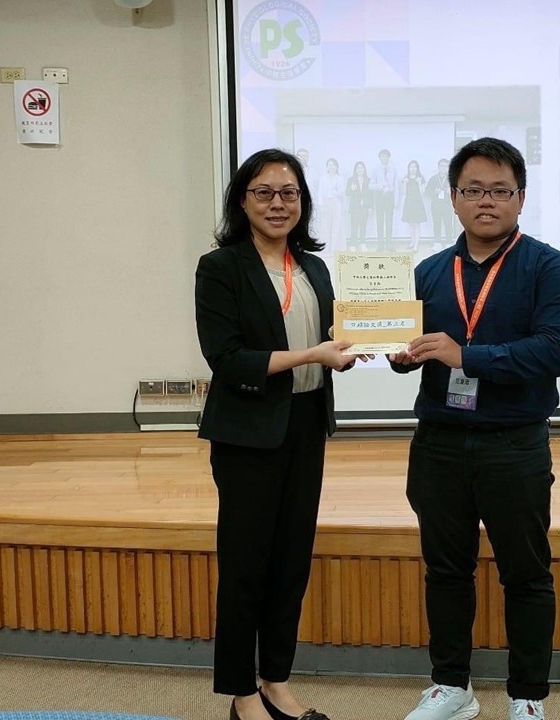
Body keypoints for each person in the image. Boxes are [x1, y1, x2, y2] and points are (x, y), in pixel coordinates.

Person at [387, 138, 560, 720]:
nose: (486, 201)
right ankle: (452, 687)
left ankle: (527, 695)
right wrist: (400, 354)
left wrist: (467, 356)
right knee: (446, 571)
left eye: (500, 190)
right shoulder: (429, 272)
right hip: (438, 444)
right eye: (473, 189)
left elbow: (557, 350)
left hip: (514, 444)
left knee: (526, 575)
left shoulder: (549, 267)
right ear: (453, 198)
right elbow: (408, 343)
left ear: (521, 198)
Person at [195, 148, 371, 720]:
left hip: (305, 424)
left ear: (303, 201)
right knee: (245, 565)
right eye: (264, 192)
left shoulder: (314, 268)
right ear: (242, 201)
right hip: (248, 432)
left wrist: (366, 342)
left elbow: (332, 336)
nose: (278, 203)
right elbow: (227, 359)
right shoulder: (221, 268)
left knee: (291, 562)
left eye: (289, 193)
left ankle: (275, 680)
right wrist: (312, 354)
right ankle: (240, 692)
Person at [316, 157, 345, 253]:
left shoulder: (340, 178)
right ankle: (326, 247)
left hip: (336, 202)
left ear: (337, 167)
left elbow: (341, 192)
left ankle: (334, 248)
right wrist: (321, 205)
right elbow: (320, 192)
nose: (332, 167)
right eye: (330, 165)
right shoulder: (323, 178)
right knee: (326, 225)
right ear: (327, 167)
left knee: (336, 225)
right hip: (326, 203)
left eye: (334, 165)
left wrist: (335, 193)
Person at [424, 158, 453, 250]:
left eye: (445, 166)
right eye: (441, 166)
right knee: (436, 223)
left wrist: (451, 192)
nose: (443, 168)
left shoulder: (452, 179)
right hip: (436, 205)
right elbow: (427, 191)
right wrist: (434, 192)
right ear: (438, 167)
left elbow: (458, 191)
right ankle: (437, 242)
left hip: (447, 205)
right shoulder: (433, 179)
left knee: (448, 223)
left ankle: (449, 242)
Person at [372, 148, 398, 250]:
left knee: (389, 221)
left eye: (386, 156)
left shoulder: (393, 169)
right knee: (379, 221)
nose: (384, 158)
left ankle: (389, 244)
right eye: (382, 156)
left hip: (389, 197)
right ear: (379, 158)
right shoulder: (375, 169)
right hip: (379, 197)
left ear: (389, 157)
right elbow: (371, 185)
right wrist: (380, 186)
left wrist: (396, 200)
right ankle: (380, 244)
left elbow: (396, 186)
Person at [401, 159, 428, 251]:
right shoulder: (406, 178)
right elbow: (404, 192)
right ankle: (412, 242)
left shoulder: (420, 178)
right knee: (410, 224)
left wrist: (419, 183)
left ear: (417, 168)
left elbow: (422, 193)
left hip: (417, 203)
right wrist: (404, 183)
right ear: (408, 168)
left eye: (415, 167)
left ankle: (416, 245)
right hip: (409, 203)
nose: (413, 169)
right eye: (411, 167)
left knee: (416, 224)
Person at [346, 161, 371, 250]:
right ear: (355, 170)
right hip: (355, 207)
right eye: (358, 168)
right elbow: (347, 193)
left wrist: (370, 207)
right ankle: (353, 244)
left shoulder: (368, 180)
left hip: (364, 207)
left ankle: (362, 243)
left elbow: (371, 195)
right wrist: (351, 189)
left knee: (363, 225)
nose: (360, 169)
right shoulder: (351, 180)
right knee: (354, 226)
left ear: (364, 169)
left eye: (361, 167)